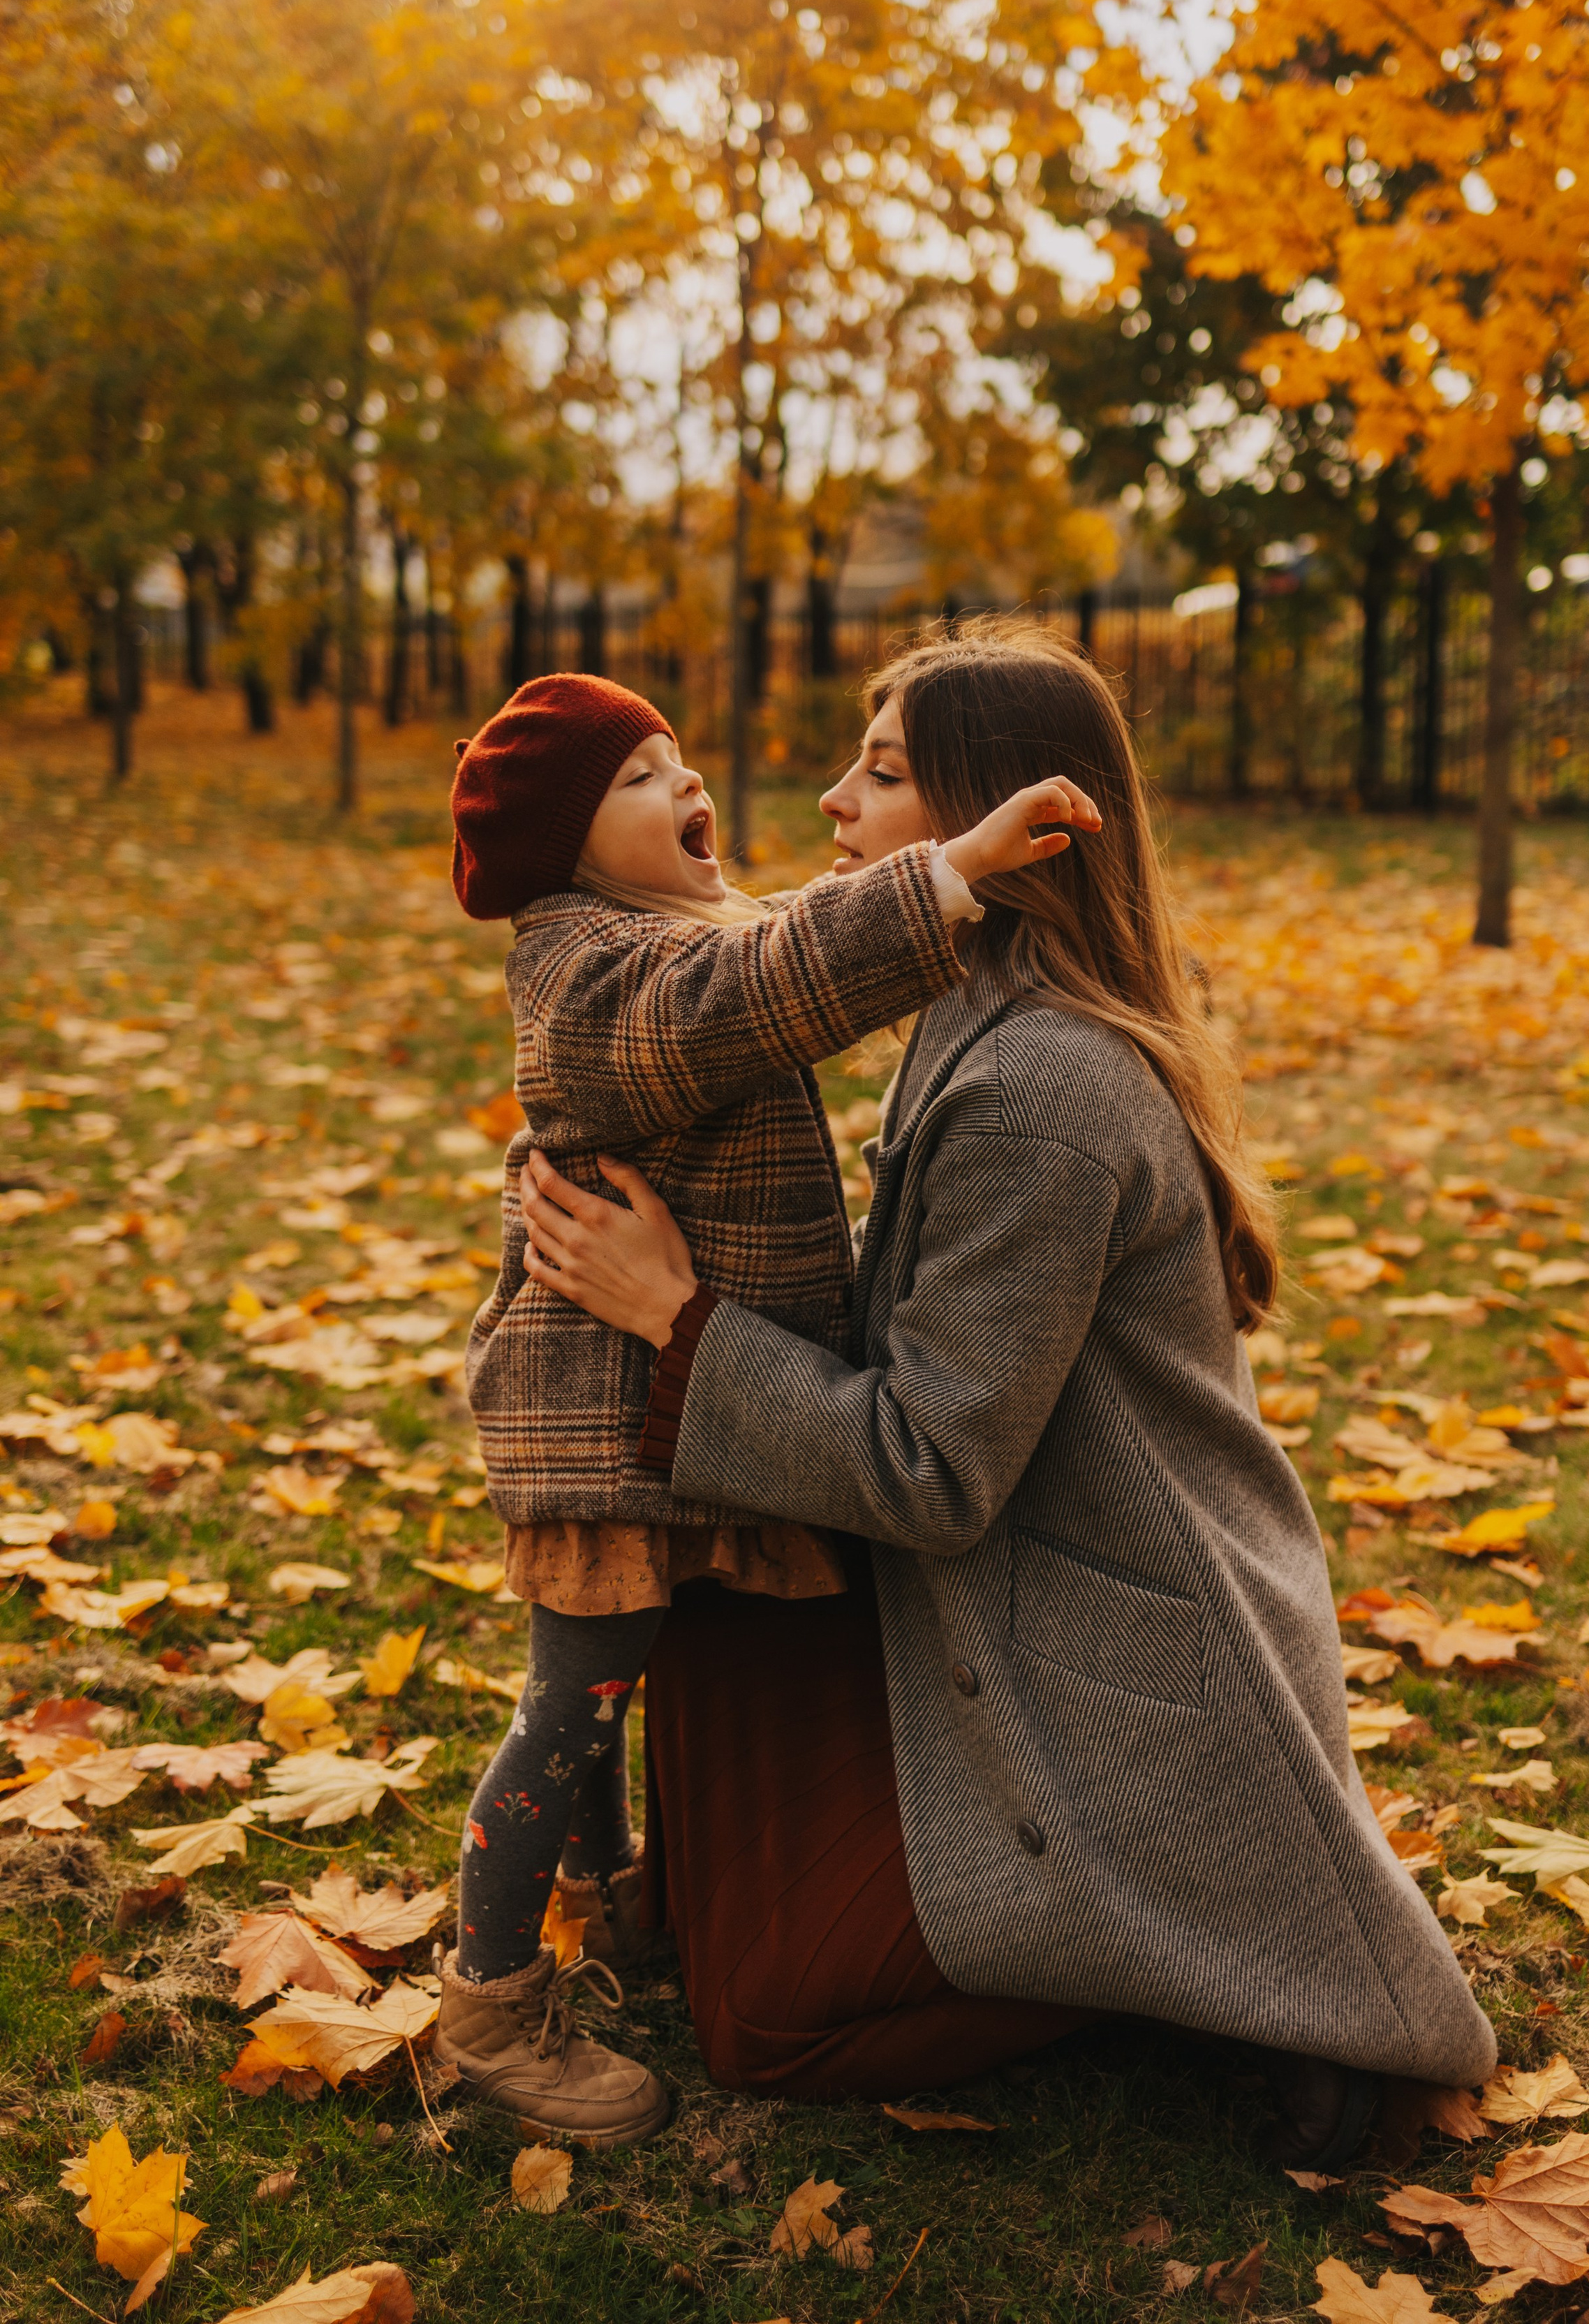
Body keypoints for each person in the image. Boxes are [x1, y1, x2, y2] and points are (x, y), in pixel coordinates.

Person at [515, 622, 1498, 2172]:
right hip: (1008, 1582)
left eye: (884, 772)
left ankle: (1187, 1976)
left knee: (765, 2018)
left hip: (1101, 1660)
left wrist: (675, 1315)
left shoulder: (1038, 1086)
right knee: (708, 1629)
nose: (833, 803)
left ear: (1001, 816)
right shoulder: (976, 1014)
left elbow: (923, 1469)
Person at [433, 668, 1101, 2145]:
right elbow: (745, 998)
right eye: (634, 778)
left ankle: (609, 1907)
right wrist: (946, 874)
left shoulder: (683, 931)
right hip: (603, 1416)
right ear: (559, 847)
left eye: (678, 755)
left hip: (668, 1397)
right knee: (576, 1698)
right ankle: (488, 2004)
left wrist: (910, 900)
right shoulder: (586, 971)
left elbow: (788, 948)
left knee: (624, 1680)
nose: (684, 785)